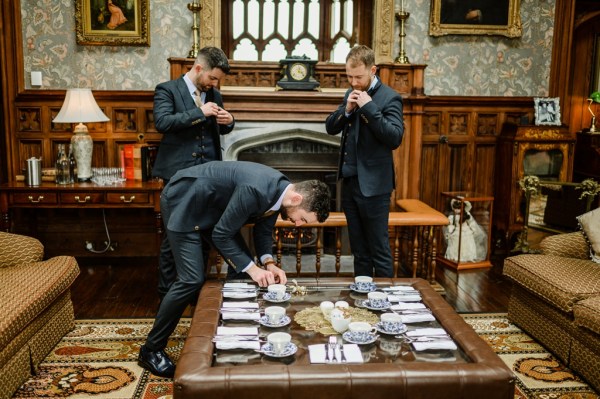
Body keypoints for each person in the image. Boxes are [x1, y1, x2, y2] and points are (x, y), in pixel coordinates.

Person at [137, 161, 331, 377]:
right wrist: (254, 270)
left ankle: (232, 334)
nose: (298, 225)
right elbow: (222, 234)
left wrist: (268, 263)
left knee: (241, 268)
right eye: (303, 219)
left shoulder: (279, 192)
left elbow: (264, 232)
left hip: (211, 210)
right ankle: (150, 350)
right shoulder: (256, 189)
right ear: (297, 199)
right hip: (184, 201)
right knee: (191, 280)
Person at [152, 47, 235, 301]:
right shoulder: (167, 90)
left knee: (204, 231)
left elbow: (219, 129)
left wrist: (229, 120)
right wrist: (200, 112)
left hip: (208, 177)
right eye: (212, 78)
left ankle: (194, 290)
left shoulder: (214, 94)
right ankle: (166, 292)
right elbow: (163, 122)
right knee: (173, 235)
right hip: (178, 177)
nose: (214, 83)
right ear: (199, 68)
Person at [325, 45, 404, 278]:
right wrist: (347, 110)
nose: (354, 82)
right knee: (358, 251)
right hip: (350, 184)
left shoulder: (391, 97)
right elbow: (331, 127)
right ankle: (362, 300)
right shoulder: (349, 93)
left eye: (358, 76)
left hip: (375, 187)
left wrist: (368, 107)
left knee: (379, 250)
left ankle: (384, 304)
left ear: (373, 70)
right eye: (349, 76)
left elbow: (394, 138)